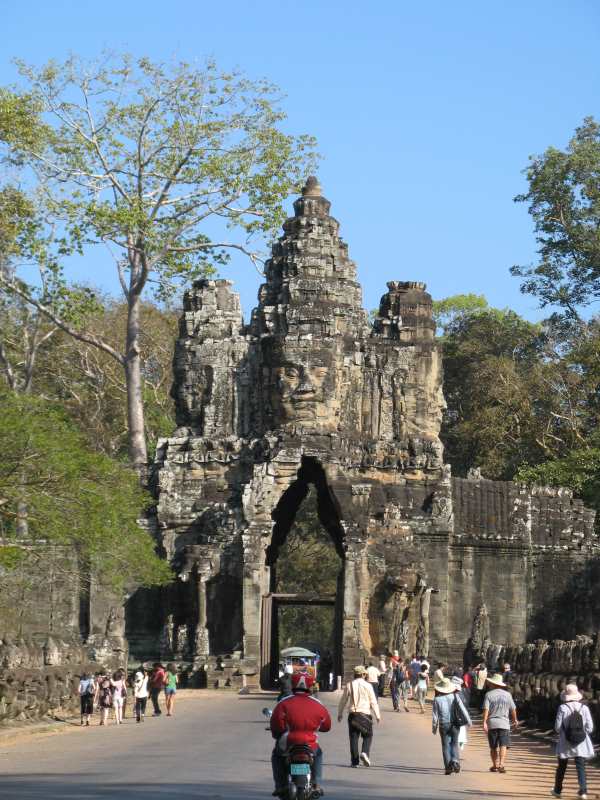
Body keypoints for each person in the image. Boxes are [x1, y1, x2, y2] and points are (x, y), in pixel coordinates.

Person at [270, 671, 331, 798]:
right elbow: (326, 726)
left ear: (292, 684)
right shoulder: (318, 704)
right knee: (318, 754)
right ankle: (316, 784)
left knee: (277, 756)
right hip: (310, 743)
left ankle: (280, 785)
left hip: (288, 741)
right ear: (310, 686)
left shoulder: (283, 703)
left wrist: (277, 734)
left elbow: (276, 725)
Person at [550, 683, 594, 799]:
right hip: (581, 741)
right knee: (580, 766)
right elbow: (590, 728)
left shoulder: (562, 708)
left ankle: (557, 790)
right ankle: (583, 791)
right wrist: (580, 732)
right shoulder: (584, 708)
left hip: (565, 741)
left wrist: (566, 732)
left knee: (562, 767)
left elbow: (557, 727)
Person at [338, 665, 381, 767]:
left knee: (353, 738)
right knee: (368, 735)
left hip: (353, 715)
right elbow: (373, 701)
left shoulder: (349, 685)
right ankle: (365, 752)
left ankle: (354, 762)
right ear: (363, 674)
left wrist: (340, 713)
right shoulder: (368, 685)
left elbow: (343, 700)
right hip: (365, 714)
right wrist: (377, 715)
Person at [432, 677, 471, 775]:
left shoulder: (437, 699)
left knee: (445, 745)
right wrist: (468, 721)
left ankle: (448, 767)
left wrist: (434, 728)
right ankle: (455, 762)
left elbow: (435, 716)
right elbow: (462, 709)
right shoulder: (455, 696)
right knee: (454, 743)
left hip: (443, 724)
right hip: (455, 723)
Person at [482, 672, 518, 773]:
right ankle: (501, 764)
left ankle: (495, 765)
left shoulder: (488, 694)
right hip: (504, 724)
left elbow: (486, 709)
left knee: (493, 746)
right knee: (503, 744)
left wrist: (484, 722)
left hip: (492, 723)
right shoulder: (508, 695)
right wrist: (515, 720)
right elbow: (513, 709)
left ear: (493, 684)